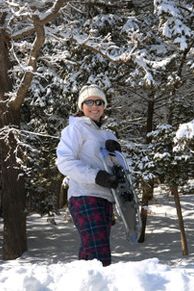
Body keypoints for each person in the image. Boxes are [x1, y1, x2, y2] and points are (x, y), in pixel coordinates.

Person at [56, 84, 121, 267]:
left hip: (106, 198)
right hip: (84, 195)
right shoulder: (75, 129)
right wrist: (96, 176)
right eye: (89, 102)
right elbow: (64, 162)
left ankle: (84, 284)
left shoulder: (108, 134)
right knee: (98, 254)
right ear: (81, 106)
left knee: (91, 252)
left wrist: (117, 156)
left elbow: (118, 169)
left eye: (99, 102)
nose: (95, 106)